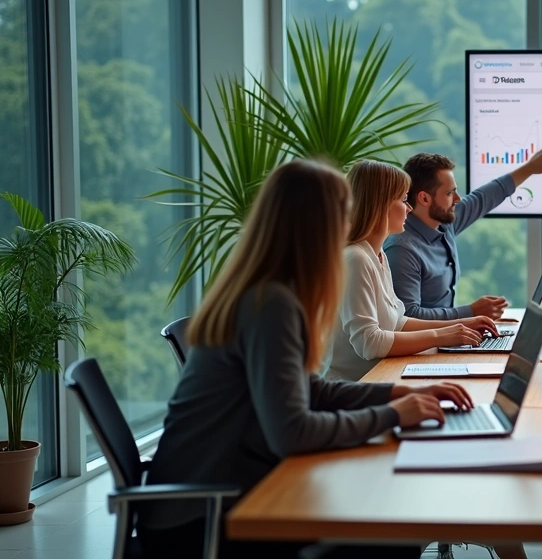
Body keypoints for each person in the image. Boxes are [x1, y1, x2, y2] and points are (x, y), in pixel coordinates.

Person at [138, 160, 474, 559]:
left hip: (222, 491)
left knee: (391, 511)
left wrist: (394, 394)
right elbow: (292, 432)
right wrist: (394, 415)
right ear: (319, 223)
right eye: (343, 210)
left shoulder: (269, 291)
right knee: (394, 529)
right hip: (203, 518)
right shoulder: (271, 305)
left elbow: (307, 388)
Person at [327, 160, 500, 382]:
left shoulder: (376, 255)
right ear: (380, 205)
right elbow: (369, 343)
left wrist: (459, 326)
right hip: (354, 387)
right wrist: (440, 335)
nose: (408, 208)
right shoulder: (356, 259)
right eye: (402, 200)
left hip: (381, 376)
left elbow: (398, 322)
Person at [386, 137, 542, 320]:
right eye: (449, 193)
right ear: (424, 199)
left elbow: (485, 196)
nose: (457, 199)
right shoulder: (402, 249)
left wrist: (530, 168)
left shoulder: (444, 223)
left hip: (447, 338)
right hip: (424, 347)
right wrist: (471, 313)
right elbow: (406, 317)